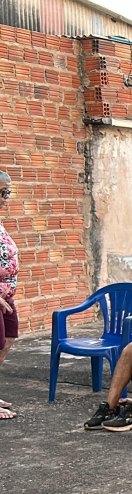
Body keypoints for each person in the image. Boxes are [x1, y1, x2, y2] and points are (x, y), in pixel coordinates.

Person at [0, 170, 18, 420]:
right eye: (3, 192)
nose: (6, 198)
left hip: (7, 296)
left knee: (9, 339)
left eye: (8, 193)